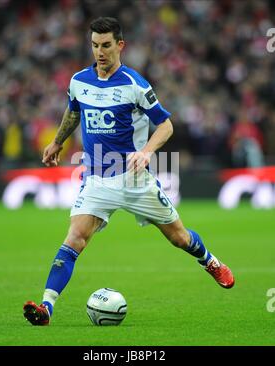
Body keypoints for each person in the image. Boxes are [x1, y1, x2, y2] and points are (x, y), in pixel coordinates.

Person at [23, 17, 235, 326]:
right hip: (96, 176)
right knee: (74, 239)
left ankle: (210, 261)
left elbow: (166, 125)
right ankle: (46, 308)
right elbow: (73, 111)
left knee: (179, 238)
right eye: (95, 45)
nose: (100, 52)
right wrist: (57, 141)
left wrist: (146, 152)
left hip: (134, 179)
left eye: (106, 45)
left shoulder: (135, 84)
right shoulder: (80, 80)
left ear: (120, 45)